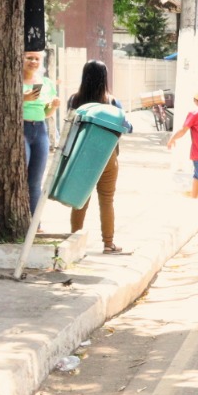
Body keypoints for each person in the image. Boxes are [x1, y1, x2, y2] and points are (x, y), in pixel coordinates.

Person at [65, 59, 131, 253]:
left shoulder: (74, 100)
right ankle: (108, 243)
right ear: (105, 78)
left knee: (80, 199)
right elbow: (127, 126)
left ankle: (74, 241)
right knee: (107, 200)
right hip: (107, 157)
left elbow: (70, 127)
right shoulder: (111, 101)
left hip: (81, 156)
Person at [20, 50, 60, 214]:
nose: (33, 62)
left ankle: (35, 223)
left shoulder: (46, 83)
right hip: (21, 128)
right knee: (20, 174)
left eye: (37, 59)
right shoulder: (13, 80)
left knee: (35, 181)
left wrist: (54, 106)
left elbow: (46, 113)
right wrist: (23, 98)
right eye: (29, 58)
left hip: (40, 130)